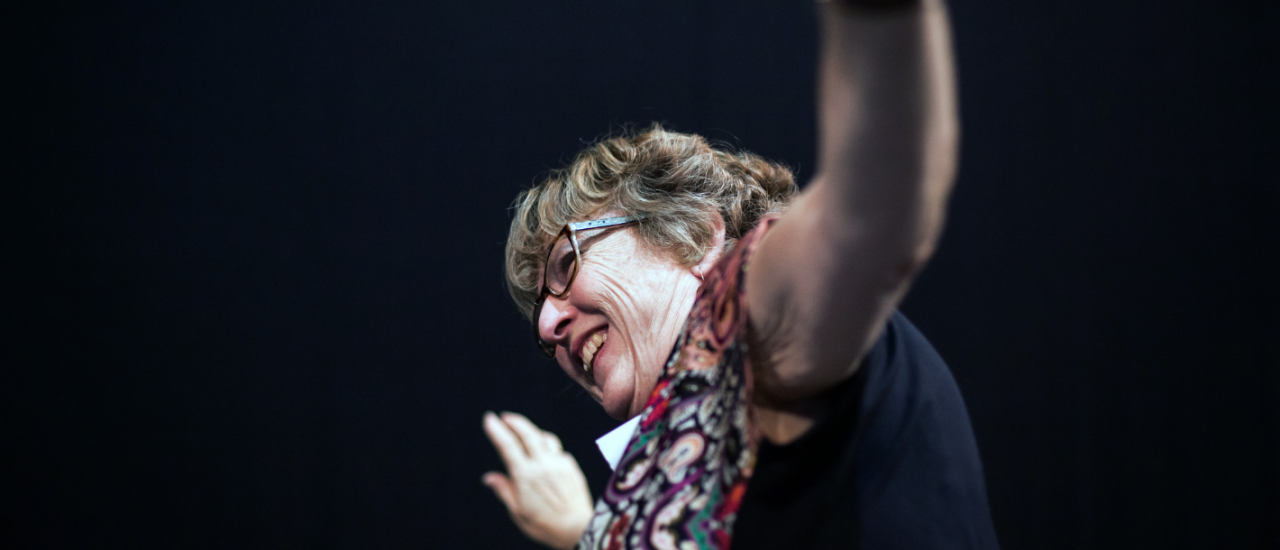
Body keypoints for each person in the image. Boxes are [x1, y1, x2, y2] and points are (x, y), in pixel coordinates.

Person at [482, 0, 999, 548]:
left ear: (697, 236)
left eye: (566, 265)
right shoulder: (669, 453)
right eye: (539, 311)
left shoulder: (750, 321)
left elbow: (868, 210)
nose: (547, 326)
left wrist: (876, 19)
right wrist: (584, 533)